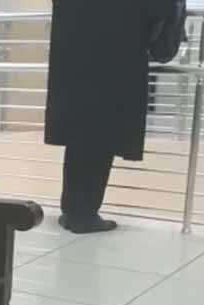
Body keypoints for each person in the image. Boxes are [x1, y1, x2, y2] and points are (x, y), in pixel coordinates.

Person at [45, 0, 177, 233]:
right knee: (100, 143)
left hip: (74, 63)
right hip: (113, 65)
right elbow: (159, 9)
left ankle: (72, 210)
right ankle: (84, 215)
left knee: (79, 142)